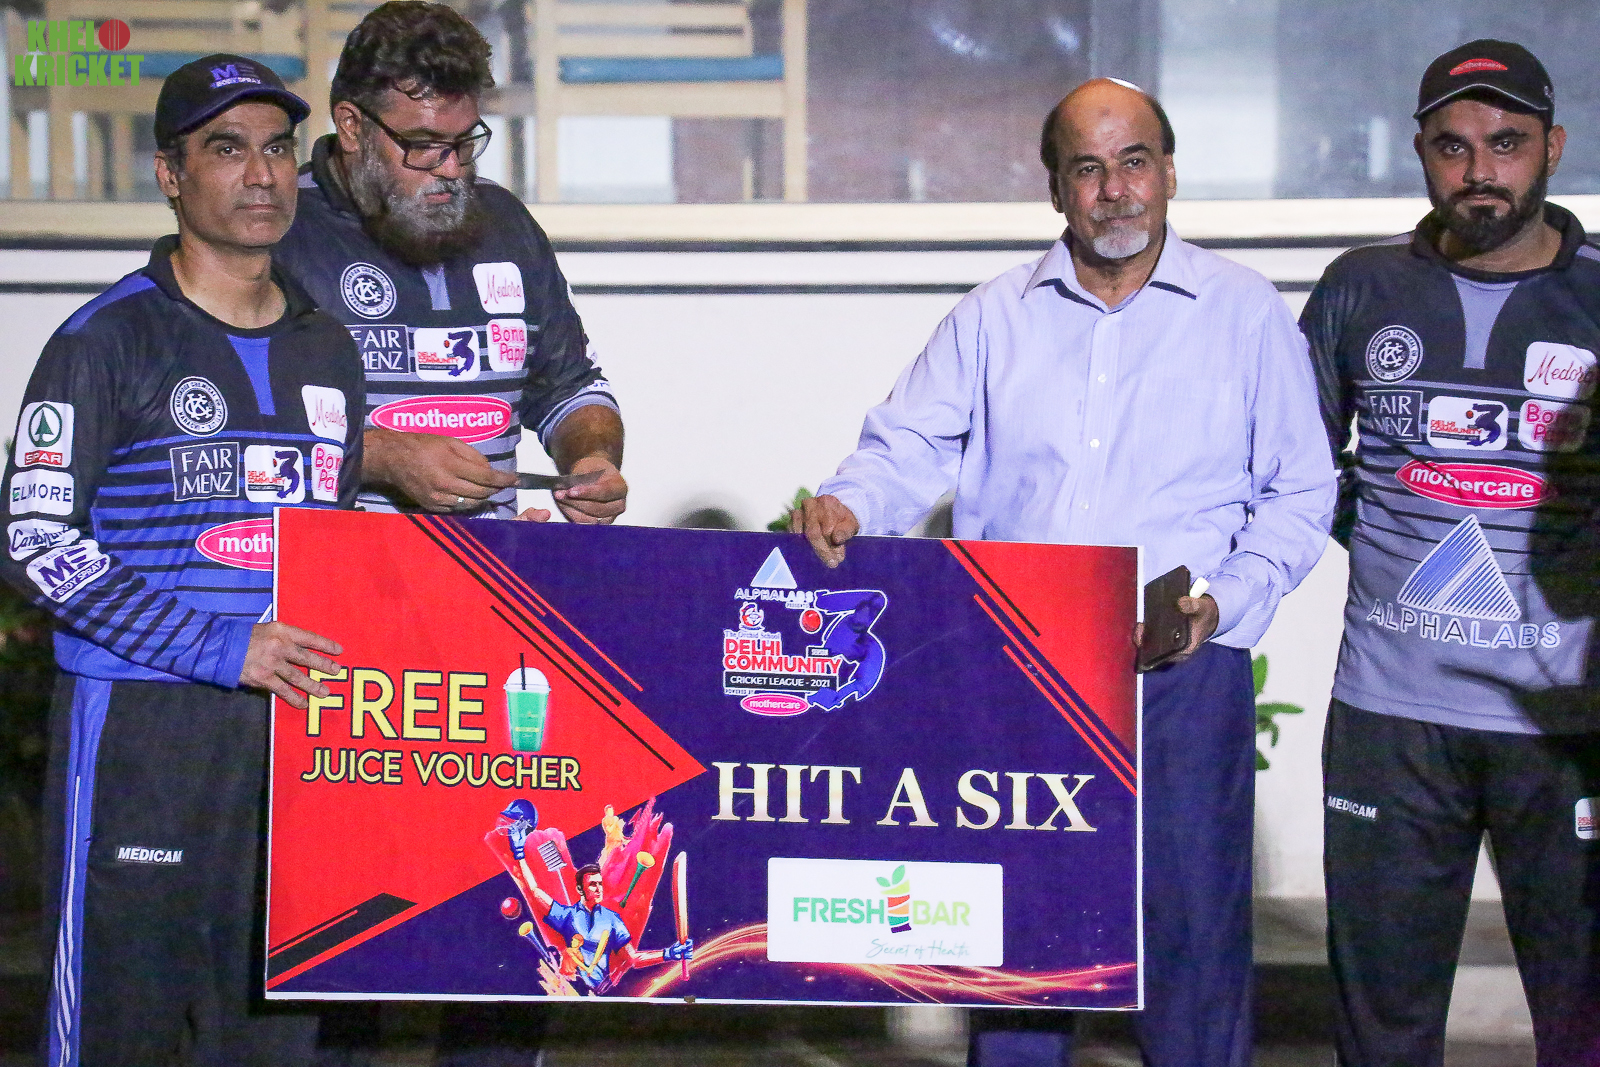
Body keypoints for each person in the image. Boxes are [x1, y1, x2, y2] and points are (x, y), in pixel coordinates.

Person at [792, 78, 1335, 1067]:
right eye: (1088, 168)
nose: (1115, 189)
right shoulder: (993, 316)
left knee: (1189, 948)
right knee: (1020, 942)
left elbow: (1299, 493)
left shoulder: (1245, 314)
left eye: (1134, 162)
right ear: (1055, 188)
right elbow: (904, 447)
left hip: (1179, 673)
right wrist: (851, 504)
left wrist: (1223, 605)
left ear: (1170, 173)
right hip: (1021, 676)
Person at [1, 55, 364, 1066]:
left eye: (278, 149)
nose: (261, 173)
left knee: (271, 1040)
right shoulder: (102, 339)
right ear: (171, 175)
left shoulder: (328, 349)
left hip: (291, 734)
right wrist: (218, 645)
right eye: (227, 149)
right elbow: (32, 539)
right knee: (117, 1032)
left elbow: (340, 540)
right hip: (141, 730)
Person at [1302, 40, 1600, 1065]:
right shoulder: (1359, 286)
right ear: (1421, 152)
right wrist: (1383, 540)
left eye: (1506, 143)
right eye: (1452, 146)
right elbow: (1297, 469)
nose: (1480, 170)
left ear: (1552, 147)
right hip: (1390, 720)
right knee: (1381, 1032)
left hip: (1566, 727)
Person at [274, 0, 626, 524]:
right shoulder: (280, 232)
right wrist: (382, 457)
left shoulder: (507, 223)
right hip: (339, 568)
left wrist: (591, 460)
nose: (452, 169)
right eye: (424, 145)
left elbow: (571, 387)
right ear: (351, 126)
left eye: (465, 143)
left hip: (491, 568)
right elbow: (226, 428)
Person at [525, 863, 692, 993]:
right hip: (571, 990)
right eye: (593, 884)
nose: (599, 889)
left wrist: (669, 954)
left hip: (602, 990)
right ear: (580, 889)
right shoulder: (568, 915)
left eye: (600, 883)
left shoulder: (612, 919)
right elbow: (535, 892)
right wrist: (520, 857)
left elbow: (633, 958)